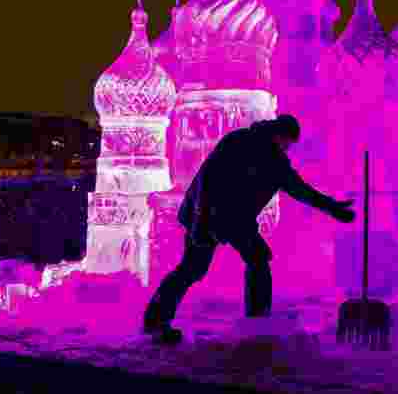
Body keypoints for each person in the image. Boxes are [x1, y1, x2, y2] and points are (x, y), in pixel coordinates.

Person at [142, 114, 356, 344]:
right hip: (208, 214)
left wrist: (332, 207)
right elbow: (208, 180)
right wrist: (202, 219)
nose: (288, 149)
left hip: (232, 218)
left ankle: (255, 320)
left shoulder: (265, 155)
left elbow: (301, 190)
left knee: (253, 259)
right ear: (280, 135)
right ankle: (161, 320)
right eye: (288, 143)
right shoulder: (245, 146)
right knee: (197, 268)